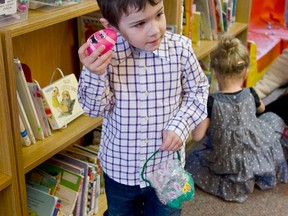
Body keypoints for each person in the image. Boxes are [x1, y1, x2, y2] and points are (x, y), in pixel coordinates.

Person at [77, 0, 209, 215]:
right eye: (139, 24)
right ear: (111, 27)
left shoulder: (181, 49)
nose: (154, 30)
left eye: (159, 15)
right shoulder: (105, 60)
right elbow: (94, 109)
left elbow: (199, 91)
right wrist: (94, 73)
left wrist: (180, 125)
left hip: (166, 169)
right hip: (120, 170)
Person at [186, 34, 288, 203]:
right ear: (246, 71)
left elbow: (197, 136)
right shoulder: (251, 94)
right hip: (250, 154)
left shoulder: (212, 102)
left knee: (193, 158)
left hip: (224, 160)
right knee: (271, 118)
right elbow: (262, 110)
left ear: (215, 72)